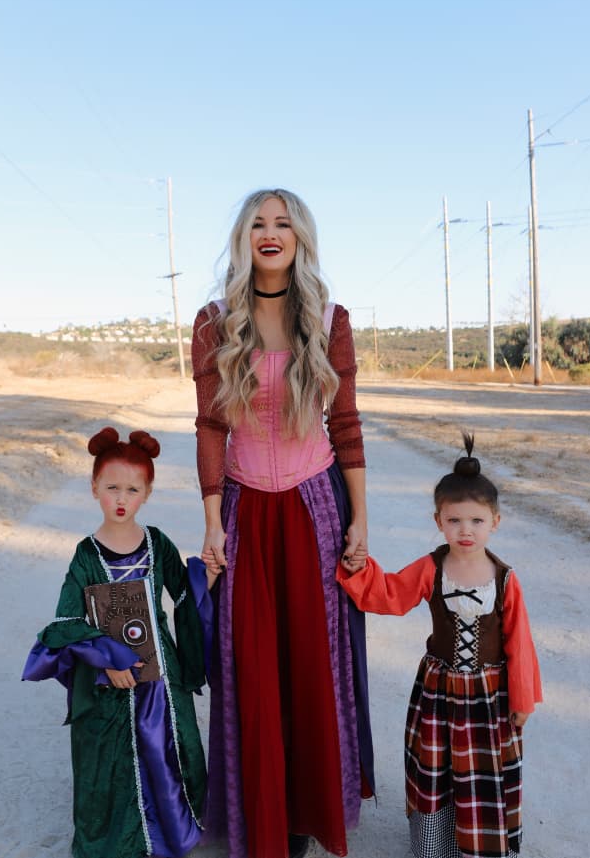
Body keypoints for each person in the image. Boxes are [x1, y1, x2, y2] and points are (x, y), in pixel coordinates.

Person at [192, 187, 375, 858]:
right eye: (258, 224)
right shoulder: (215, 320)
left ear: (300, 237)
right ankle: (259, 813)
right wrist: (213, 520)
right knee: (251, 665)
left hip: (312, 504)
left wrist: (360, 518)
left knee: (311, 663)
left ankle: (303, 817)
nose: (271, 233)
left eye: (284, 223)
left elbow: (346, 424)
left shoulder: (331, 319)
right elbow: (212, 426)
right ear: (244, 238)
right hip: (245, 507)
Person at [338, 433, 542, 858]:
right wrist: (359, 570)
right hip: (438, 691)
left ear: (495, 522)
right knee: (436, 768)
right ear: (438, 521)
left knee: (479, 773)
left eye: (476, 521)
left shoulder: (504, 579)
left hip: (488, 696)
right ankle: (435, 846)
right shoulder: (432, 568)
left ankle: (480, 845)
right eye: (454, 521)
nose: (465, 531)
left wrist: (521, 700)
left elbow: (519, 644)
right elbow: (390, 593)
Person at [22, 427, 216, 858]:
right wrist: (105, 660)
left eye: (133, 488)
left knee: (164, 747)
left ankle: (172, 828)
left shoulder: (157, 543)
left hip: (159, 678)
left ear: (147, 492)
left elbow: (184, 596)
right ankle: (119, 838)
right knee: (111, 757)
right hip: (111, 680)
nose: (121, 498)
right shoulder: (86, 555)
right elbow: (67, 620)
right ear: (94, 489)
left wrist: (207, 582)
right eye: (112, 487)